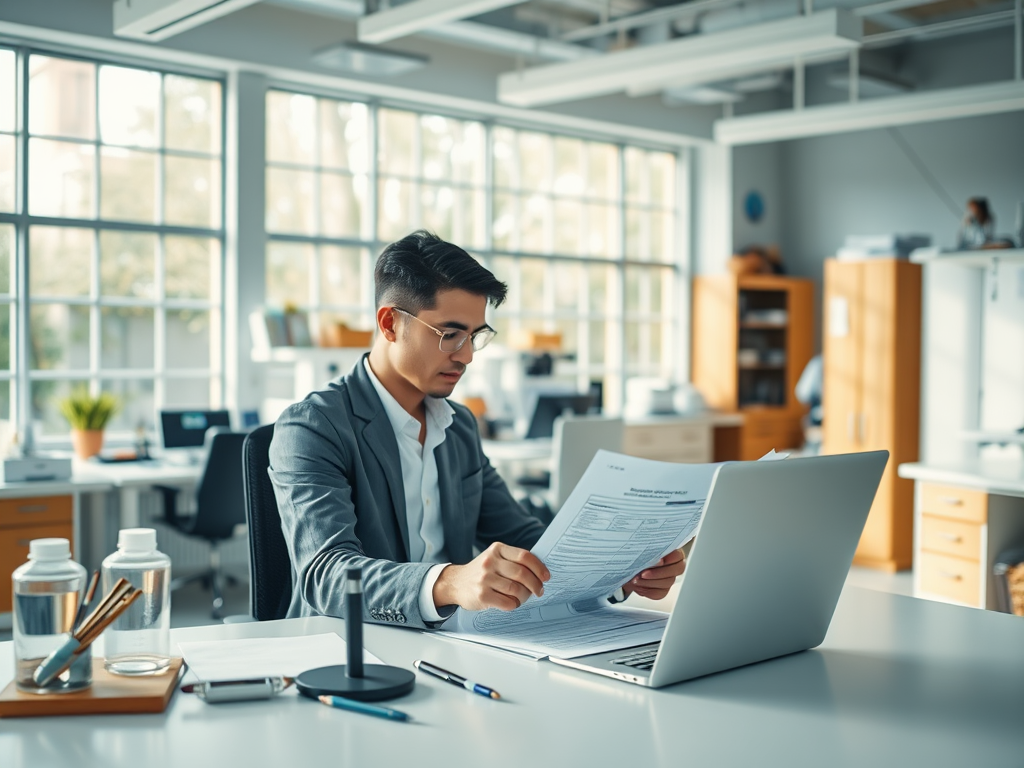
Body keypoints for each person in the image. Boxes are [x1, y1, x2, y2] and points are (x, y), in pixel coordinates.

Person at [269, 230, 686, 629]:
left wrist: (616, 573)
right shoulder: (312, 427)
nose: (466, 355)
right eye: (449, 334)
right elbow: (327, 575)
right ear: (390, 324)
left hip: (452, 644)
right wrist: (451, 582)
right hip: (347, 649)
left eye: (474, 335)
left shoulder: (459, 426)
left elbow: (524, 538)